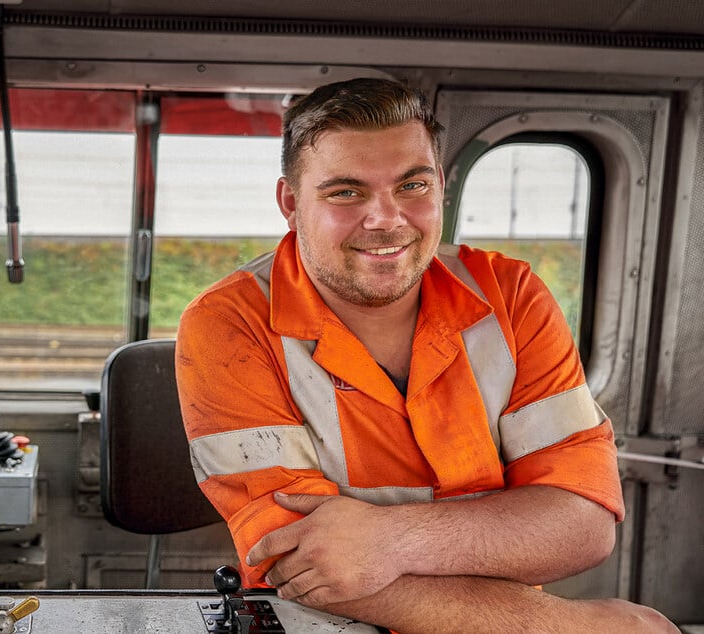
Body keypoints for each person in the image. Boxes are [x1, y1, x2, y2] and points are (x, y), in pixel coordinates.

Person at [175, 77, 678, 632]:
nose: (387, 219)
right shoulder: (228, 323)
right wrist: (573, 627)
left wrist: (389, 540)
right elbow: (299, 563)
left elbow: (582, 525)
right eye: (346, 192)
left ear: (440, 184)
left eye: (412, 185)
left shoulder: (510, 297)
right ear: (291, 203)